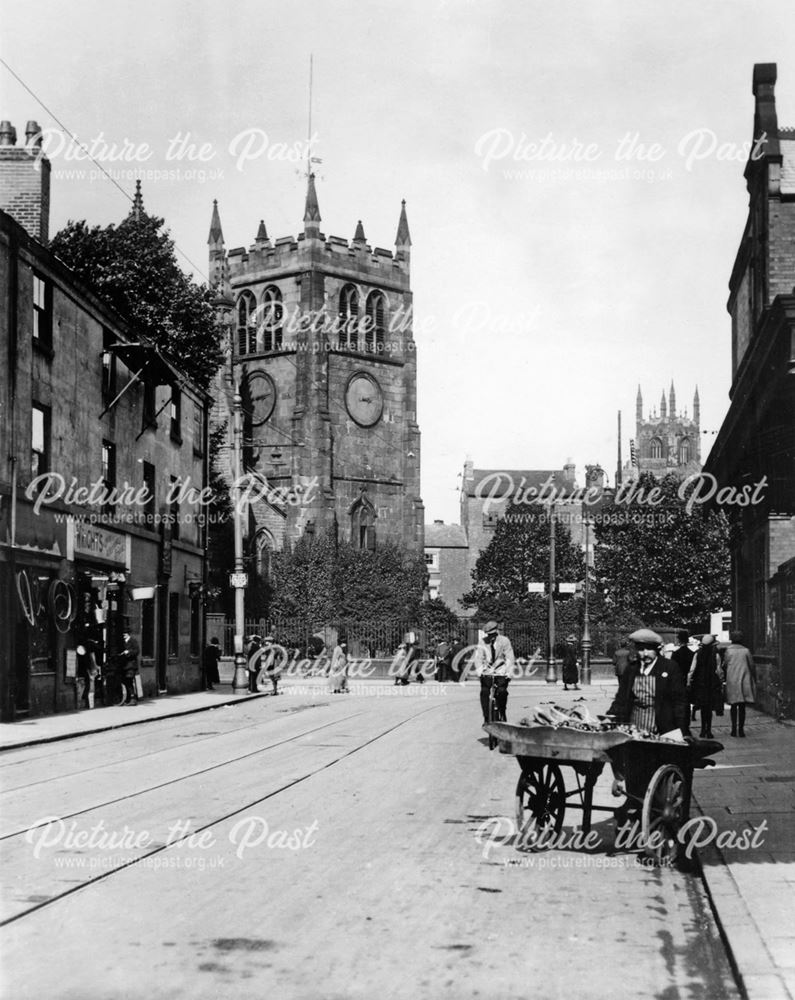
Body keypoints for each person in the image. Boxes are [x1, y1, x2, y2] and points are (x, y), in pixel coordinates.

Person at [607, 628, 690, 736]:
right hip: (634, 728)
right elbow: (621, 698)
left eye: (649, 649)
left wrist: (683, 730)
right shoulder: (631, 669)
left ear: (657, 649)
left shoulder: (669, 667)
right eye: (641, 649)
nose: (645, 653)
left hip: (662, 729)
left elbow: (680, 702)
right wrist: (611, 717)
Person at [474, 621, 515, 726]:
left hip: (501, 670)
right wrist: (479, 670)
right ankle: (486, 718)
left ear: (497, 631)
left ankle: (502, 711)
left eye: (493, 634)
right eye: (489, 634)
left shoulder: (504, 641)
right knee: (484, 692)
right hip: (487, 671)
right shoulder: (482, 642)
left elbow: (509, 657)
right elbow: (478, 657)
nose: (491, 636)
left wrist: (508, 672)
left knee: (502, 691)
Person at [686, 635, 724, 739]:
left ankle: (703, 730)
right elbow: (719, 670)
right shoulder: (715, 654)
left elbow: (692, 670)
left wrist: (688, 682)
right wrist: (721, 680)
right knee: (709, 708)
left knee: (703, 708)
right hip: (711, 684)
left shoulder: (697, 654)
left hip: (700, 684)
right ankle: (709, 730)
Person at [723, 631, 756, 738]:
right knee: (742, 706)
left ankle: (733, 729)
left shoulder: (728, 651)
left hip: (732, 679)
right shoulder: (746, 651)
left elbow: (725, 664)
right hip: (744, 680)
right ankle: (741, 730)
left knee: (733, 706)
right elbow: (751, 665)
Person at [119, 631, 141, 706]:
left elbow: (137, 651)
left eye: (125, 634)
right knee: (125, 681)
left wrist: (128, 652)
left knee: (129, 681)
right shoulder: (122, 642)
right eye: (123, 634)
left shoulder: (133, 641)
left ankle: (133, 699)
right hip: (124, 665)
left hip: (131, 665)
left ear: (128, 634)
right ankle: (128, 698)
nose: (123, 636)